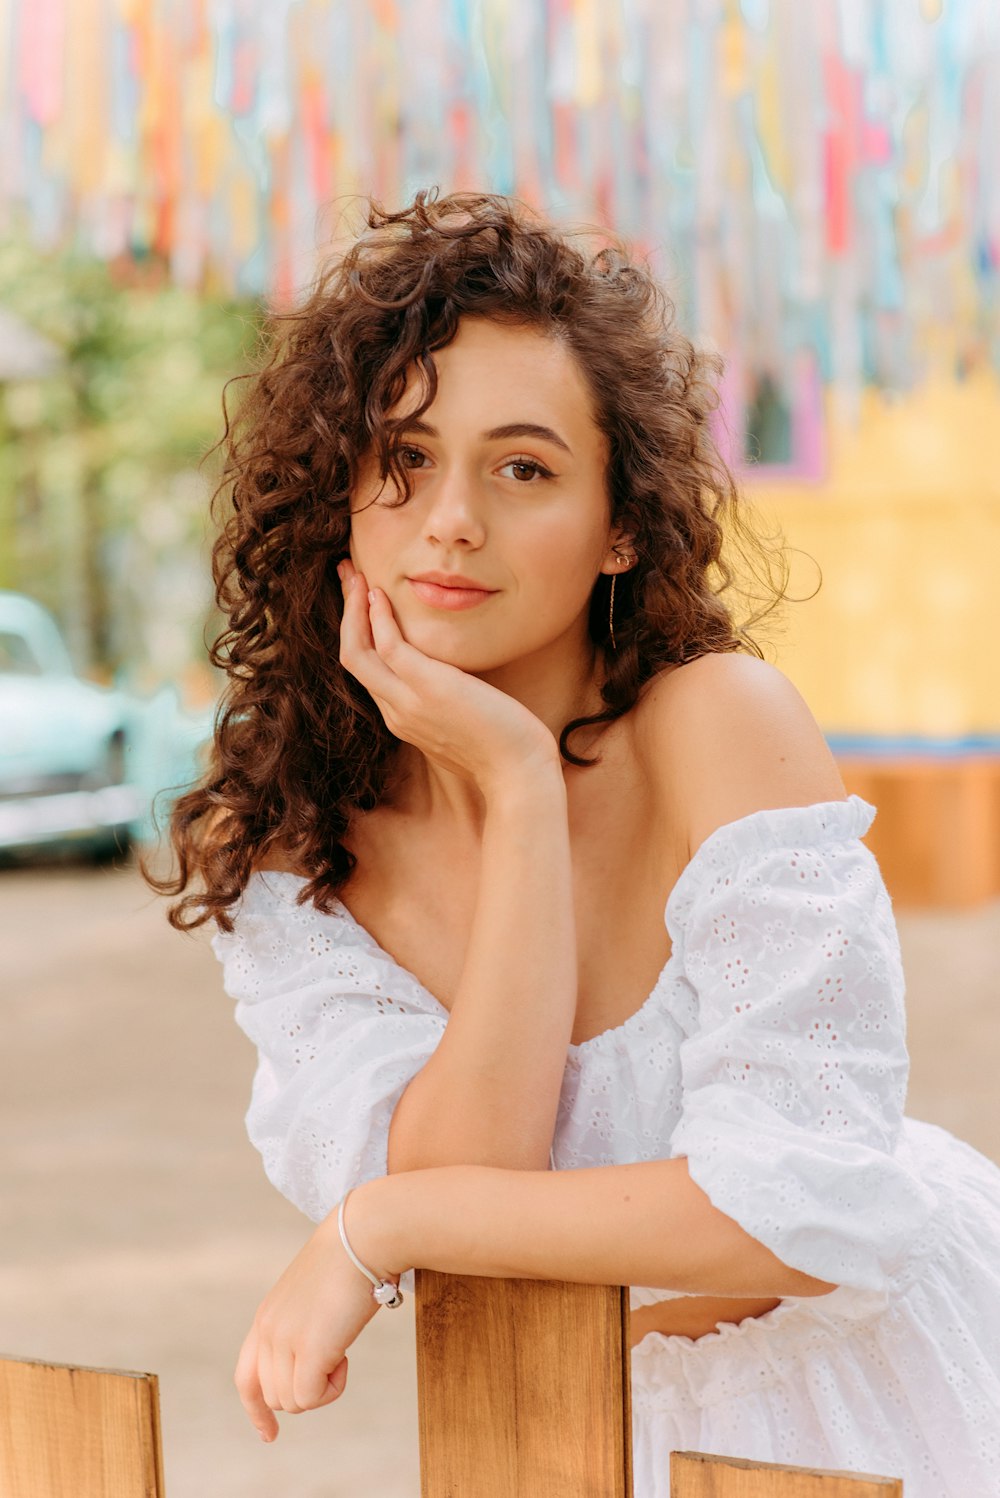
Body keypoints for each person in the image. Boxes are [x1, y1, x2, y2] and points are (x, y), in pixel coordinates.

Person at [153, 191, 1000, 1497]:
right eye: (405, 457)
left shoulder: (720, 725)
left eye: (524, 467)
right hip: (541, 1421)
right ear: (342, 497)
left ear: (619, 526)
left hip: (861, 1389)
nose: (451, 519)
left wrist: (375, 1222)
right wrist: (518, 791)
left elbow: (801, 1210)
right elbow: (471, 1199)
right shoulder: (298, 845)